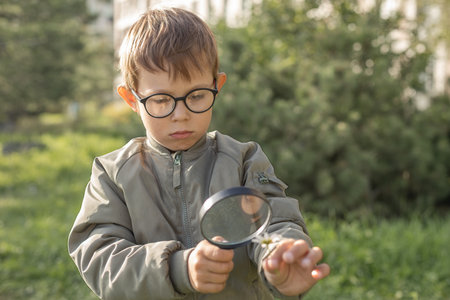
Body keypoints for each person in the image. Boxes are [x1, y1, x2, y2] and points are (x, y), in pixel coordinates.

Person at [68, 6, 330, 300]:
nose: (180, 115)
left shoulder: (244, 159)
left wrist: (278, 253)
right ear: (132, 98)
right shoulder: (112, 174)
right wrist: (179, 269)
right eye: (160, 100)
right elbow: (101, 259)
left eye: (196, 96)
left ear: (216, 86)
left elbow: (270, 225)